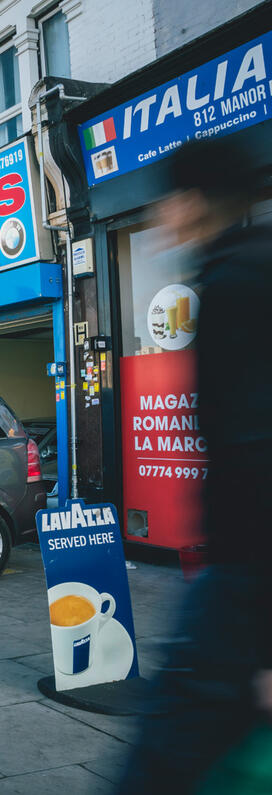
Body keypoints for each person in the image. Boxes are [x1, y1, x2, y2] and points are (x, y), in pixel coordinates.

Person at [118, 137, 272, 794]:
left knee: (163, 761)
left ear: (193, 201)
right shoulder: (244, 270)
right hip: (236, 580)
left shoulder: (239, 284)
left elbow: (255, 457)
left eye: (166, 202)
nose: (158, 220)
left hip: (239, 588)